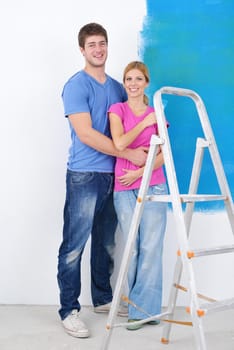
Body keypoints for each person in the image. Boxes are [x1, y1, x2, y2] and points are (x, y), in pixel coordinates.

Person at [57, 24, 148, 339]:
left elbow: (130, 122)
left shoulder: (117, 87)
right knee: (74, 246)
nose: (98, 49)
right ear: (82, 50)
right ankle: (69, 310)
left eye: (103, 44)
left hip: (117, 176)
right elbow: (85, 134)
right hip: (84, 174)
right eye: (92, 45)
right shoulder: (76, 86)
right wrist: (131, 153)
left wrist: (142, 152)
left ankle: (102, 298)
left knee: (107, 243)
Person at [108, 61, 168, 330]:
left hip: (154, 185)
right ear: (124, 83)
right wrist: (145, 122)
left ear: (146, 82)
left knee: (151, 246)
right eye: (128, 79)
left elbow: (163, 155)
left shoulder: (158, 113)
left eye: (138, 79)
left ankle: (147, 310)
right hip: (124, 186)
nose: (133, 84)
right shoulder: (117, 110)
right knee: (131, 247)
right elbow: (119, 143)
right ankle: (134, 308)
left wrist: (140, 172)